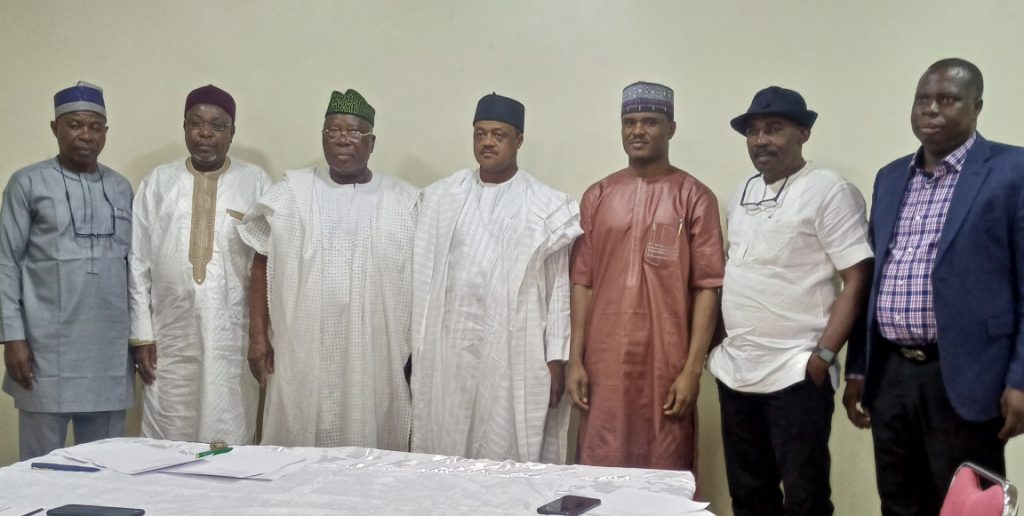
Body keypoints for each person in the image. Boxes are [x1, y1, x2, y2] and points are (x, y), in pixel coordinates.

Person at [843, 58, 1024, 515]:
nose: (932, 109)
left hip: (967, 376)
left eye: (947, 99)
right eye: (923, 98)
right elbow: (874, 280)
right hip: (893, 376)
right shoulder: (890, 177)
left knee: (968, 507)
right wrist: (859, 370)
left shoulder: (1012, 171)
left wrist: (1021, 380)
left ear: (976, 106)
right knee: (900, 502)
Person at [707, 86, 872, 516]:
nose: (761, 140)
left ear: (804, 132)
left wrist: (822, 355)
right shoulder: (740, 192)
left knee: (805, 500)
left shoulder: (829, 190)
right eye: (753, 131)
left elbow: (857, 277)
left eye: (774, 129)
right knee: (749, 496)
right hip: (737, 372)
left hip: (795, 375)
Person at [239, 89, 419, 449]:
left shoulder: (405, 200)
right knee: (298, 442)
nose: (341, 140)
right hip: (301, 351)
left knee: (371, 451)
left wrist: (417, 354)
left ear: (371, 141)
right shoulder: (292, 192)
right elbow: (261, 261)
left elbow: (422, 282)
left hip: (376, 356)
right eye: (332, 131)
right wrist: (258, 337)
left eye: (353, 132)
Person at [410, 93, 581, 463]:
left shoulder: (546, 205)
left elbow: (559, 292)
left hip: (515, 351)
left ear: (518, 140)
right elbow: (423, 279)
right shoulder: (443, 198)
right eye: (480, 133)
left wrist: (557, 360)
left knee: (505, 442)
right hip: (451, 352)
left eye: (498, 134)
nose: (487, 142)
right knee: (447, 438)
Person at [567, 81, 724, 470]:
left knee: (664, 462)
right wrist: (575, 360)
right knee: (599, 464)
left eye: (650, 122)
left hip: (666, 362)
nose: (638, 131)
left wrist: (692, 370)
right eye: (629, 122)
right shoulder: (598, 195)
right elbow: (582, 282)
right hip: (603, 362)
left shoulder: (694, 196)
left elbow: (708, 287)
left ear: (671, 129)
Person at [128, 85, 271, 444]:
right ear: (184, 127)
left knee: (228, 432)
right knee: (167, 435)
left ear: (232, 132)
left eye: (217, 125)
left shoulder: (255, 182)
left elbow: (268, 264)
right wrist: (142, 333)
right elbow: (138, 261)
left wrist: (262, 336)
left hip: (231, 337)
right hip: (169, 337)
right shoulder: (158, 182)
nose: (205, 133)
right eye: (196, 123)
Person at [1, 82, 134, 460]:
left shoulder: (121, 188)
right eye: (75, 125)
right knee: (41, 473)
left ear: (105, 132)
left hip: (109, 355)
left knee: (107, 469)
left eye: (95, 126)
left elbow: (136, 270)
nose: (85, 135)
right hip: (44, 353)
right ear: (55, 128)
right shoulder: (26, 183)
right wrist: (12, 337)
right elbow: (5, 261)